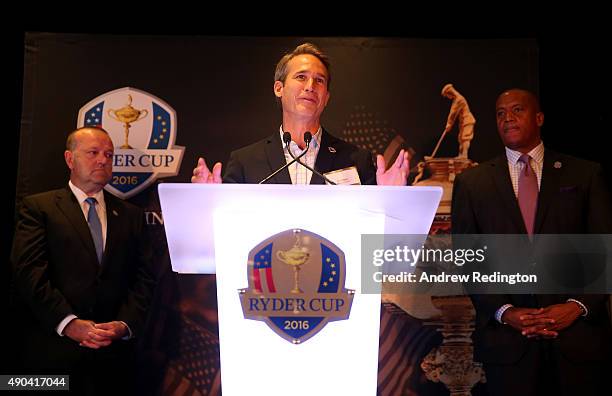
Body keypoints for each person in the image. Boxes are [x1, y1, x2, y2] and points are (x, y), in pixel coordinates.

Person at [451, 88, 612, 395]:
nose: (507, 119)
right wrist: (505, 311)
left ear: (539, 118)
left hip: (578, 343)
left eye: (517, 110)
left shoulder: (585, 174)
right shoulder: (472, 183)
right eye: (500, 113)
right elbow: (468, 261)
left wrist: (577, 307)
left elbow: (604, 252)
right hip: (509, 346)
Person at [10, 127, 155, 394]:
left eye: (109, 155)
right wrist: (69, 323)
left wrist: (124, 325)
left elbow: (144, 277)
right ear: (69, 159)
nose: (103, 160)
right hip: (53, 356)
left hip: (114, 361)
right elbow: (29, 272)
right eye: (93, 153)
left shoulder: (131, 215)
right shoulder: (38, 208)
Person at [191, 42, 409, 186]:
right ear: (279, 88)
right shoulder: (245, 162)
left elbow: (375, 241)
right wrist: (208, 201)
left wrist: (390, 200)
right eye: (301, 77)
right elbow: (223, 230)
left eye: (319, 80)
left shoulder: (357, 160)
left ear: (326, 97)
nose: (310, 86)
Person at [441, 83, 476, 158]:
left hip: (467, 120)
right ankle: (461, 155)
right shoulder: (456, 99)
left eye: (447, 95)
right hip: (463, 121)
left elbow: (453, 113)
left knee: (465, 138)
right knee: (460, 138)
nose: (448, 97)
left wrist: (449, 124)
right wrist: (449, 124)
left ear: (449, 93)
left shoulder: (459, 99)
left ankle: (464, 155)